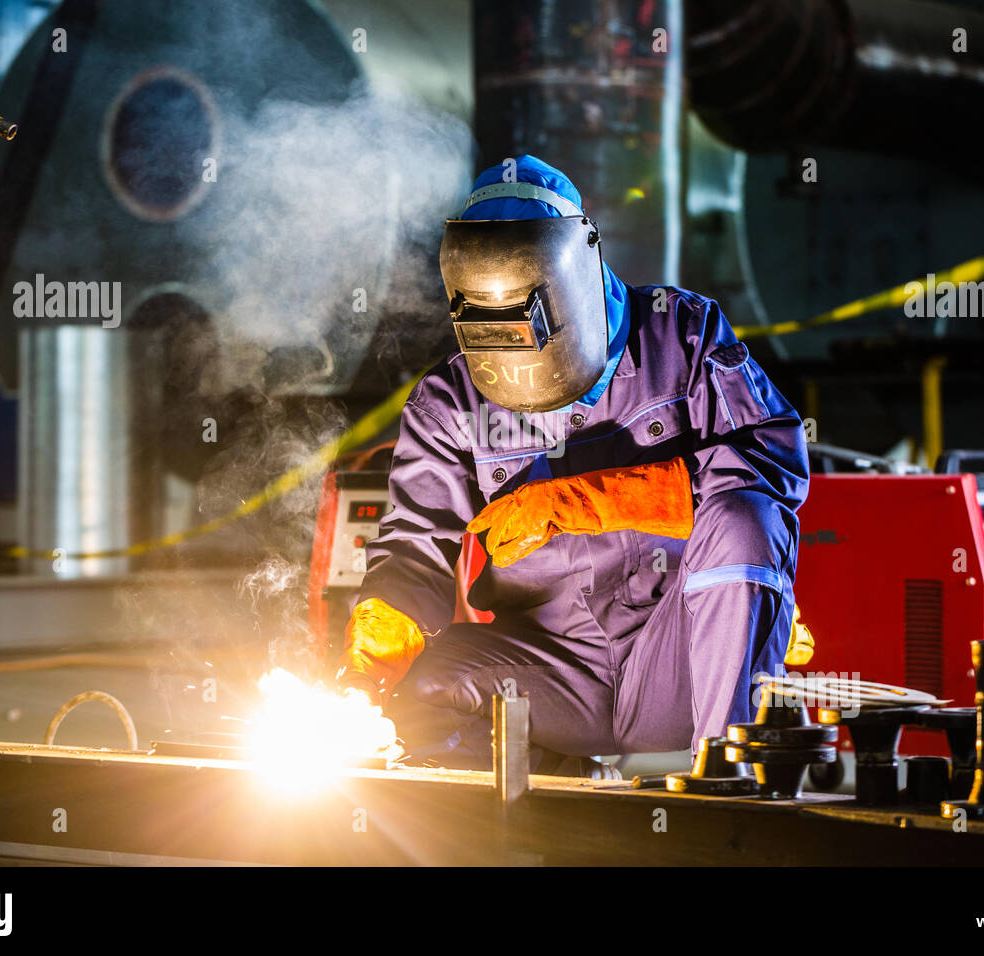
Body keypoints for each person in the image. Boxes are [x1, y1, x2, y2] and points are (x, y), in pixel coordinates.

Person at [337, 155, 811, 770]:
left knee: (747, 518)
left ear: (576, 267)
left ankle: (728, 778)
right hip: (553, 667)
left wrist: (587, 501)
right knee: (417, 696)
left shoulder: (683, 334)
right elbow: (414, 548)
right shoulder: (449, 401)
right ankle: (546, 804)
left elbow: (772, 461)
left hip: (683, 656)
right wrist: (376, 643)